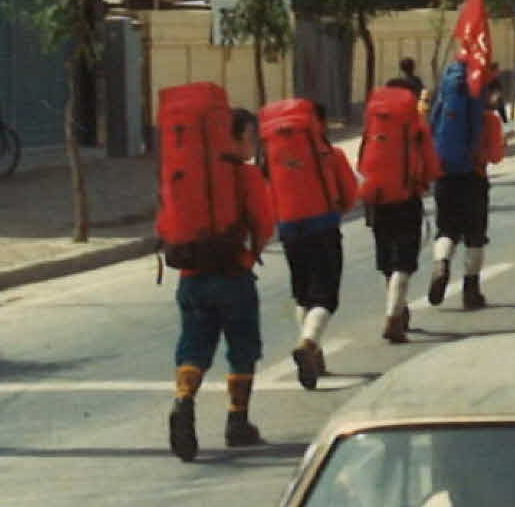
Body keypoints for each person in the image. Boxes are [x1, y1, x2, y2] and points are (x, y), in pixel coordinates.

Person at [168, 107, 277, 461]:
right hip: (233, 277)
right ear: (237, 137)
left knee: (194, 348)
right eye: (250, 137)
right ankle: (237, 421)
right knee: (243, 348)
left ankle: (184, 401)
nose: (253, 144)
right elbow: (263, 222)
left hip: (191, 277)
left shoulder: (187, 173)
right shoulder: (245, 176)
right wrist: (250, 252)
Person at [269, 101, 360, 390]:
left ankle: (314, 351)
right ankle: (309, 343)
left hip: (288, 230)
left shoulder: (272, 154)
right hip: (322, 227)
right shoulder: (330, 155)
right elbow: (350, 195)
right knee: (325, 296)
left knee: (303, 294)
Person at [358, 79, 441, 345]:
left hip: (376, 197)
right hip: (406, 197)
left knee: (387, 261)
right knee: (404, 261)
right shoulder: (414, 122)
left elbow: (363, 158)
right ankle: (394, 314)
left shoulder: (373, 118)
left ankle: (399, 308)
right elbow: (430, 163)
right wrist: (427, 180)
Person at [427, 68, 506, 311]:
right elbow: (495, 156)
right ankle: (471, 291)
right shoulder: (489, 119)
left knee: (446, 230)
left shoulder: (441, 113)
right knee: (475, 236)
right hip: (474, 179)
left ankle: (441, 263)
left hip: (445, 178)